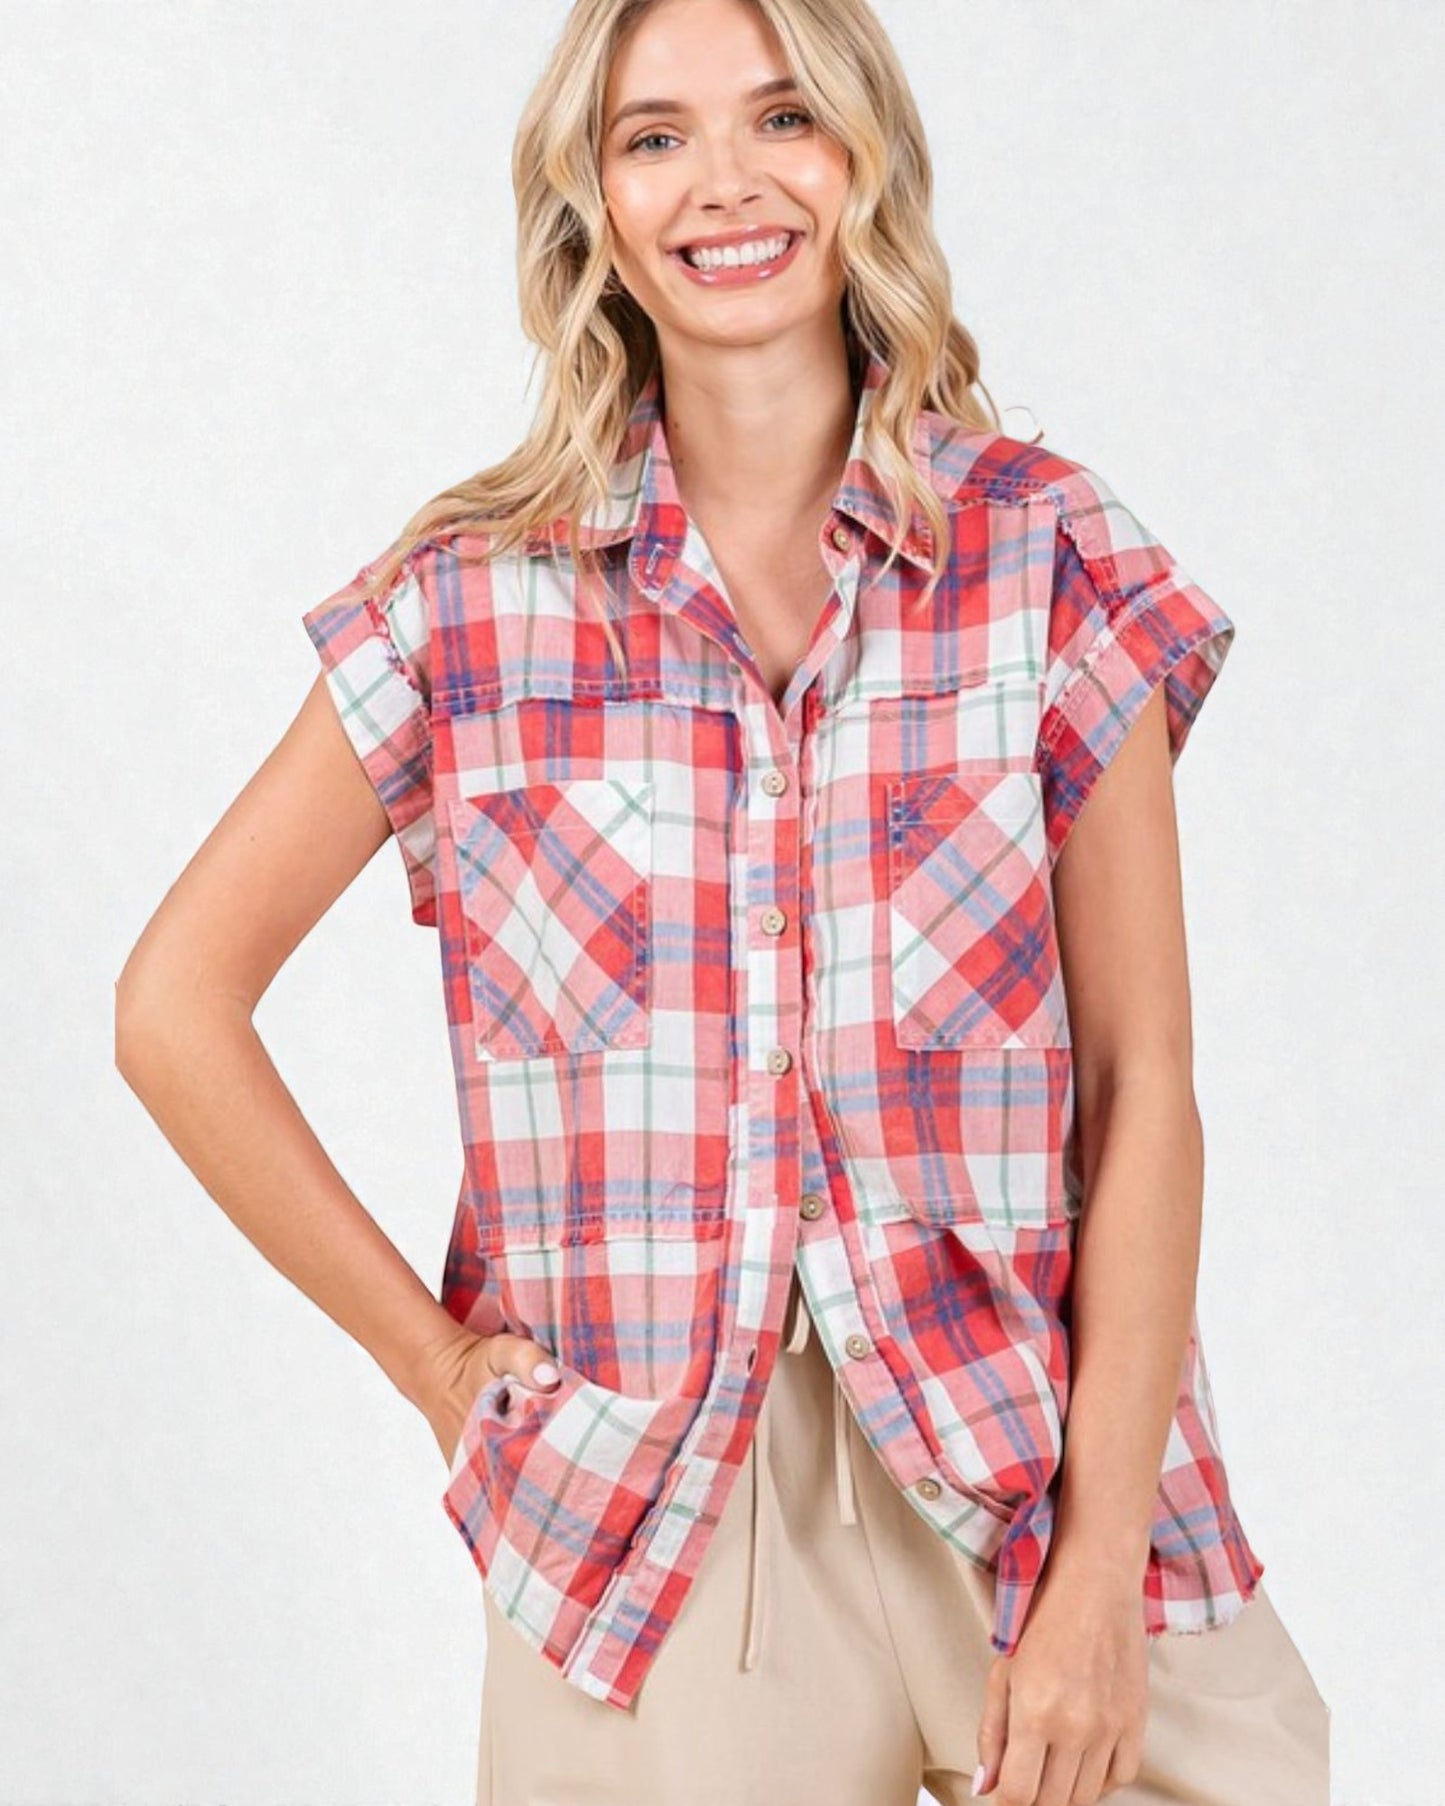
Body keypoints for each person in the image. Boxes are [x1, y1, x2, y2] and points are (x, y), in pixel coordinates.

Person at [114, 0, 1333, 1801]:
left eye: (781, 117)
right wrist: (440, 1369)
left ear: (858, 162)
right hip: (656, 1521)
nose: (725, 181)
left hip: (1027, 1451)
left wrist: (1091, 1577)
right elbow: (172, 1004)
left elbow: (1143, 1085)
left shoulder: (1047, 557)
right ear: (593, 203)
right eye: (654, 136)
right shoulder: (468, 610)